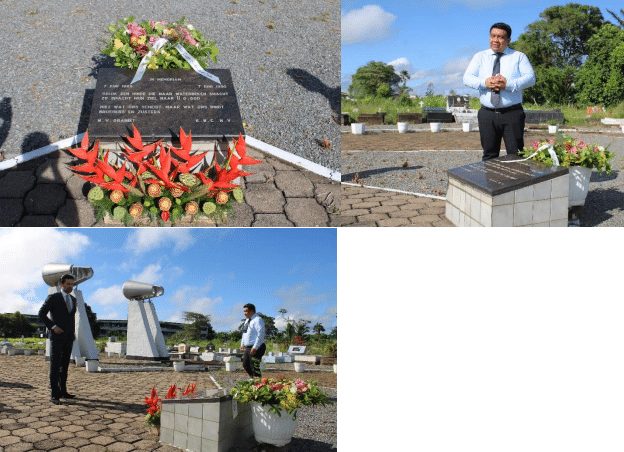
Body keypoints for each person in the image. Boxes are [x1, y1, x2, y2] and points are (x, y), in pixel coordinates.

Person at [463, 22, 536, 161]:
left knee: (516, 155)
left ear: (508, 40)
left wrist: (508, 84)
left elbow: (531, 78)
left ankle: (516, 182)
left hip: (512, 113)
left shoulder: (518, 56)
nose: (495, 40)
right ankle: (490, 183)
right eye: (493, 36)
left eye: (500, 37)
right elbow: (467, 78)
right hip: (487, 114)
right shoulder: (480, 56)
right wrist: (484, 82)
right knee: (489, 154)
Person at [38, 274, 77, 404]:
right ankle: (55, 394)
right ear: (62, 284)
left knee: (64, 366)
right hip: (57, 337)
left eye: (72, 284)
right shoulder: (53, 298)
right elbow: (41, 314)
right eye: (68, 284)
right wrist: (53, 326)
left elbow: (70, 319)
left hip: (69, 338)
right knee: (55, 366)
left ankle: (63, 391)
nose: (70, 286)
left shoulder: (73, 299)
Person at [240, 303, 266, 378]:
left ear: (252, 311)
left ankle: (258, 384)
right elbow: (244, 333)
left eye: (246, 311)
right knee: (245, 365)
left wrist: (255, 347)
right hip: (248, 347)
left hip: (257, 347)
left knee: (254, 367)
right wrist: (242, 344)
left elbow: (260, 334)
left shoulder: (258, 320)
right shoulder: (247, 320)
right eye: (244, 311)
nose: (244, 313)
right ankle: (253, 379)